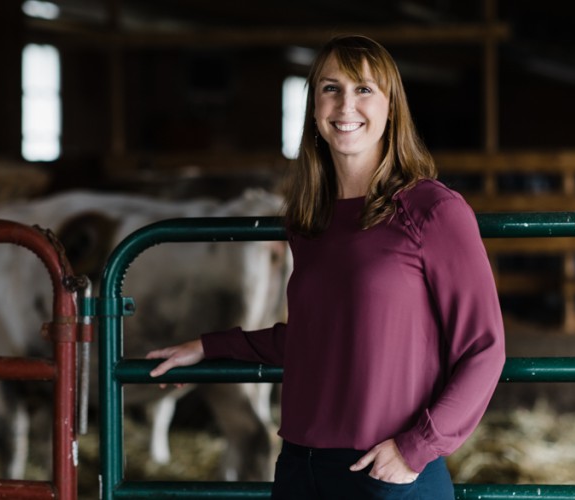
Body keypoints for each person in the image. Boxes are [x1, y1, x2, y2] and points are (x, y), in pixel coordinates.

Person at [146, 34, 506, 500]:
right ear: (314, 107)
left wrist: (417, 448)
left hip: (387, 470)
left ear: (392, 107)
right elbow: (318, 340)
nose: (344, 105)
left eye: (364, 90)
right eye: (330, 88)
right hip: (301, 465)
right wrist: (212, 346)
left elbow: (484, 348)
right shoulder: (309, 218)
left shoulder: (432, 211)